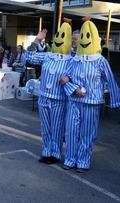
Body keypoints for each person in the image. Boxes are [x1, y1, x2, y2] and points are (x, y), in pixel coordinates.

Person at [60, 19, 120, 173]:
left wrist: (115, 101)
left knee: (87, 133)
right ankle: (70, 159)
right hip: (74, 101)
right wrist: (75, 88)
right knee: (71, 132)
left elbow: (111, 81)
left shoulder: (100, 61)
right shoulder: (74, 60)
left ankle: (83, 161)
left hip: (92, 102)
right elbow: (64, 79)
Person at [26, 22, 73, 165]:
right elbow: (29, 57)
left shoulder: (71, 59)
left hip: (59, 99)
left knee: (57, 128)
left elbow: (77, 74)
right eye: (58, 36)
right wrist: (36, 39)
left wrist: (69, 78)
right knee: (45, 127)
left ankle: (55, 153)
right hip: (44, 98)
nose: (59, 39)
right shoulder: (47, 55)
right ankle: (46, 152)